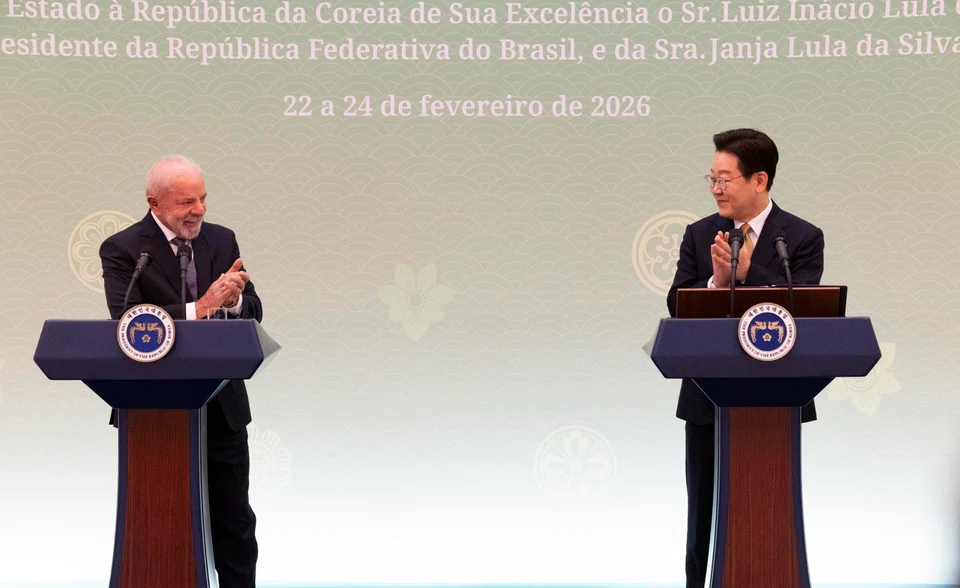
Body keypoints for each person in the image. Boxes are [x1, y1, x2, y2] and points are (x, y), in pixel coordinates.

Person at [666, 129, 825, 588]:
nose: (716, 189)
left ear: (759, 180)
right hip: (707, 398)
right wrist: (716, 284)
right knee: (702, 515)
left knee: (769, 510)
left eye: (725, 179)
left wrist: (749, 273)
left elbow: (804, 306)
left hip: (777, 399)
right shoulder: (700, 234)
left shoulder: (801, 237)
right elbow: (677, 304)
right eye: (711, 179)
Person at [99, 155, 261, 588]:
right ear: (154, 202)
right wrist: (202, 307)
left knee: (235, 523)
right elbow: (129, 320)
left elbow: (254, 309)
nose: (199, 210)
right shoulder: (123, 249)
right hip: (152, 413)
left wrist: (233, 301)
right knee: (160, 523)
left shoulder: (221, 239)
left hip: (222, 406)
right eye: (187, 202)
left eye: (203, 199)